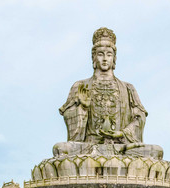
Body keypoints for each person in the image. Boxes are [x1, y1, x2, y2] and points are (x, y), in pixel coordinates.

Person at [54, 27, 163, 160]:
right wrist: (82, 108)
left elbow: (139, 119)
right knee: (60, 149)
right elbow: (73, 133)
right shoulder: (81, 86)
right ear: (94, 57)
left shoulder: (128, 88)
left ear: (114, 58)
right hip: (89, 147)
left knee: (156, 151)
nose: (105, 58)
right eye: (100, 54)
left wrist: (121, 133)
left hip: (121, 147)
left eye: (109, 54)